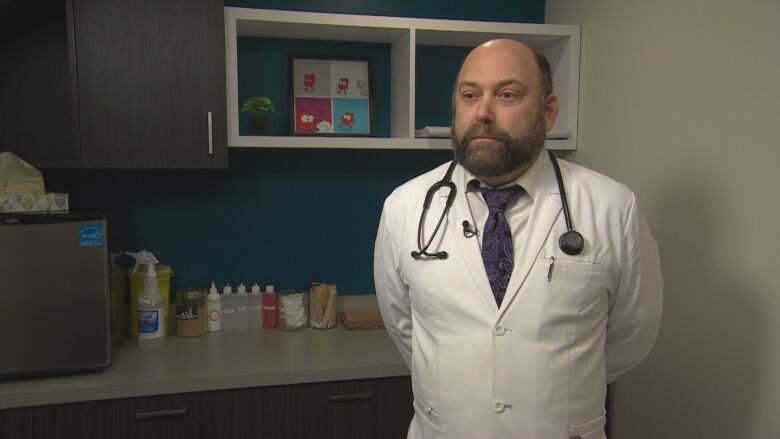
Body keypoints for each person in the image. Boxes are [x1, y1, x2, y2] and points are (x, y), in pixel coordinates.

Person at [373, 39, 662, 439]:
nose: (483, 112)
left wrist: (551, 382)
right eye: (469, 95)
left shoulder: (613, 209)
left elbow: (632, 335)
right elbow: (404, 326)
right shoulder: (404, 208)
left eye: (508, 95)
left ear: (547, 111)